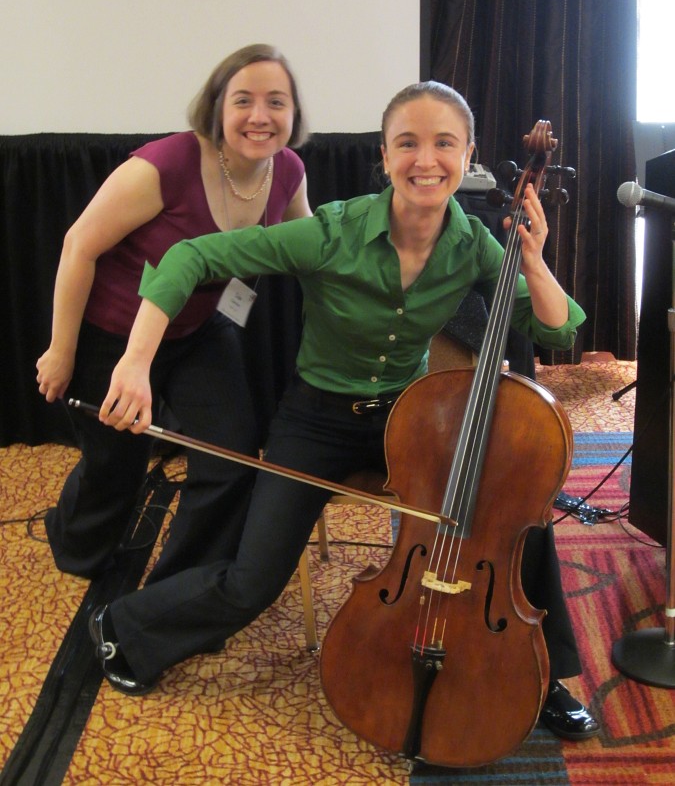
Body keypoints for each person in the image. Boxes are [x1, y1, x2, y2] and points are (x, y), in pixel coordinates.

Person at [88, 81, 599, 742]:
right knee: (252, 582)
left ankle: (542, 671)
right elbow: (191, 255)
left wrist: (531, 261)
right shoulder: (329, 234)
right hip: (317, 423)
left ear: (466, 154)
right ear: (384, 157)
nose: (425, 159)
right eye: (406, 143)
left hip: (411, 423)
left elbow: (556, 331)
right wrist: (134, 361)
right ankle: (122, 626)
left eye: (444, 143)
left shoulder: (473, 244)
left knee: (507, 503)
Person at [36, 43, 312, 583]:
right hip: (109, 332)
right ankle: (78, 547)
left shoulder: (290, 171)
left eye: (277, 102)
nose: (261, 116)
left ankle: (183, 583)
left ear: (294, 114)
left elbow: (311, 250)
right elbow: (78, 247)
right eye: (244, 101)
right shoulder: (163, 164)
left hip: (200, 329)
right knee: (115, 465)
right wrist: (60, 350)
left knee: (231, 455)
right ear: (217, 106)